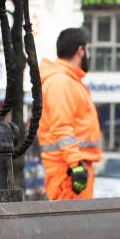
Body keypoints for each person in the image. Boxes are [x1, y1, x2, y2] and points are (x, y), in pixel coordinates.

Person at [38, 27, 101, 200]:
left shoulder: (68, 81)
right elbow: (62, 128)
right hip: (68, 172)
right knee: (69, 225)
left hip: (71, 169)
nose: (89, 55)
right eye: (88, 49)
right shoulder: (61, 82)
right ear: (80, 51)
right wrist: (75, 164)